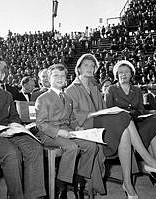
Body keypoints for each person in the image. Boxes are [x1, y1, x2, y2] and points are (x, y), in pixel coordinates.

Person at [66, 54, 156, 199]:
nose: (90, 68)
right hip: (85, 127)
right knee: (123, 117)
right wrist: (95, 114)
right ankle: (151, 163)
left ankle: (128, 184)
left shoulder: (94, 87)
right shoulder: (71, 89)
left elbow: (104, 109)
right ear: (78, 68)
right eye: (86, 65)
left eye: (93, 66)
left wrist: (106, 112)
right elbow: (72, 116)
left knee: (127, 130)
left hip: (100, 124)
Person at [0, 58, 46, 199]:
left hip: (8, 132)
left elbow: (14, 117)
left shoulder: (7, 95)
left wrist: (18, 126)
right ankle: (17, 196)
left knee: (35, 147)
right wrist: (0, 131)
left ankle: (34, 194)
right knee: (11, 153)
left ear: (2, 76)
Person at [35, 63, 105, 199]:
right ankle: (61, 187)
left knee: (92, 146)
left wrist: (77, 127)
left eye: (63, 76)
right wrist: (59, 132)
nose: (60, 78)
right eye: (56, 75)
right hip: (49, 133)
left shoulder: (67, 98)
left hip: (67, 131)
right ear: (48, 79)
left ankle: (79, 182)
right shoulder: (43, 98)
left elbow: (72, 119)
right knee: (72, 147)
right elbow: (40, 124)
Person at [104, 60, 156, 189]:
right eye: (120, 72)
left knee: (154, 121)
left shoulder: (136, 90)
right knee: (155, 129)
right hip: (121, 128)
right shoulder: (111, 89)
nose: (123, 74)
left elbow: (140, 109)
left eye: (126, 72)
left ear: (131, 74)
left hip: (136, 123)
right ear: (116, 75)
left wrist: (149, 111)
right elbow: (108, 112)